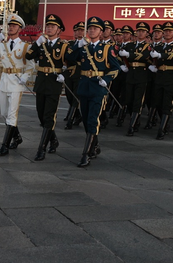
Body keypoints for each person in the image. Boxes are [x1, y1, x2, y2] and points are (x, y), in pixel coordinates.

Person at [66, 16, 120, 167]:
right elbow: (69, 57)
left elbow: (116, 68)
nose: (92, 30)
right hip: (84, 87)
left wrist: (107, 80)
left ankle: (85, 154)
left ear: (101, 32)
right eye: (90, 28)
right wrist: (78, 44)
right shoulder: (83, 47)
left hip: (98, 88)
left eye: (95, 28)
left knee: (92, 120)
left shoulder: (107, 49)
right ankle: (94, 146)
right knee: (85, 119)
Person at [0, 14, 35, 156]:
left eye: (14, 26)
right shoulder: (3, 45)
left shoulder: (25, 46)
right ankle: (17, 137)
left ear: (20, 29)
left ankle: (4, 146)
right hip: (4, 81)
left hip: (17, 83)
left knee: (12, 115)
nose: (11, 27)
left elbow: (31, 66)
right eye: (10, 25)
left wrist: (25, 77)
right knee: (4, 114)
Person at [26, 14, 71, 160]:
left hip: (54, 84)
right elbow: (28, 56)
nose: (49, 28)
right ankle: (53, 140)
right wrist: (37, 43)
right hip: (41, 83)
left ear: (59, 30)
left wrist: (65, 75)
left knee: (49, 116)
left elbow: (73, 65)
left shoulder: (64, 46)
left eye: (53, 26)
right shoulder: (41, 44)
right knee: (41, 115)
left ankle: (41, 149)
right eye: (48, 26)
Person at [122, 21, 152, 136]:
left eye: (143, 31)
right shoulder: (129, 45)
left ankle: (132, 125)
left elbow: (144, 56)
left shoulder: (148, 46)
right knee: (129, 99)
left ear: (146, 33)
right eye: (139, 31)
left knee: (138, 101)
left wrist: (130, 55)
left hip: (142, 75)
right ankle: (135, 119)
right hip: (131, 74)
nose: (140, 33)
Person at [63, 21, 85, 130]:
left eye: (81, 30)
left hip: (80, 72)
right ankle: (78, 115)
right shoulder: (70, 44)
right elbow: (69, 56)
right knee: (69, 95)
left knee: (76, 96)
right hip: (70, 72)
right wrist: (77, 47)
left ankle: (70, 120)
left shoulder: (87, 44)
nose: (79, 32)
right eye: (77, 30)